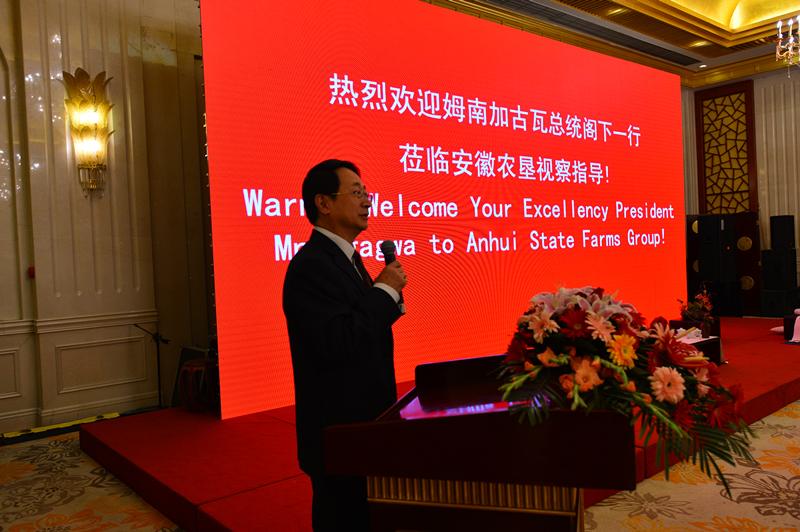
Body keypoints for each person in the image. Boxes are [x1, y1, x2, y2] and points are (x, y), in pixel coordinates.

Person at [283, 159, 407, 531]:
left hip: (364, 428)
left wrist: (385, 294)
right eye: (356, 192)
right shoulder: (311, 265)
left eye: (366, 193)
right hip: (339, 434)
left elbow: (361, 327)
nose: (366, 200)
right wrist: (384, 290)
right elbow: (337, 341)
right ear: (323, 203)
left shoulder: (347, 258)